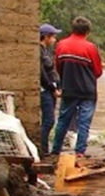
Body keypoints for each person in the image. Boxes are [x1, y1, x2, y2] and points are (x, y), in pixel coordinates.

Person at [51, 16, 102, 157]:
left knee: (63, 121)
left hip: (68, 90)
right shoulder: (90, 48)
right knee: (84, 123)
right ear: (87, 32)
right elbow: (98, 71)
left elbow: (58, 67)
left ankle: (55, 151)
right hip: (87, 92)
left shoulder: (61, 45)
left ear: (72, 29)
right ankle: (79, 152)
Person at [39, 23, 62, 155]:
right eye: (53, 37)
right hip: (46, 90)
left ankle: (44, 149)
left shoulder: (45, 50)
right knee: (48, 121)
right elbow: (43, 74)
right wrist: (53, 89)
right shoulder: (39, 51)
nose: (54, 40)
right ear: (46, 37)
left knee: (48, 120)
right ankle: (43, 151)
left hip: (50, 90)